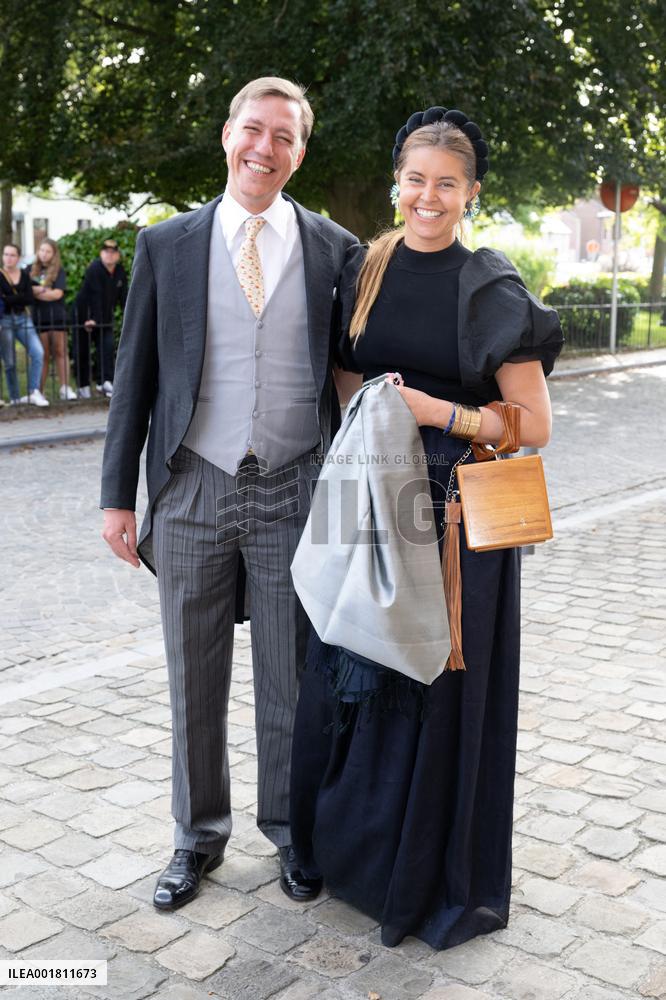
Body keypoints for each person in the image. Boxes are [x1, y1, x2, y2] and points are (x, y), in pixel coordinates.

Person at [290, 106, 564, 950]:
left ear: (471, 193)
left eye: (447, 183)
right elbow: (344, 371)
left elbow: (533, 424)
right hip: (364, 498)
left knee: (425, 688)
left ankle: (417, 880)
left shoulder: (491, 287)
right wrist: (369, 438)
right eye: (415, 180)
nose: (428, 196)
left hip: (446, 513)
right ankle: (340, 857)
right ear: (396, 185)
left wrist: (432, 412)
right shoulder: (363, 266)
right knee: (342, 662)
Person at [100, 77, 358, 911]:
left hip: (295, 490)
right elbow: (133, 378)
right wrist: (118, 497)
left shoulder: (334, 248)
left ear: (300, 151)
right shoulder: (166, 244)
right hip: (191, 490)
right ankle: (194, 838)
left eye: (284, 137)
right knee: (193, 676)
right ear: (227, 135)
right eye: (254, 130)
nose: (265, 148)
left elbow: (359, 368)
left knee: (291, 679)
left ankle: (291, 834)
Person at [73, 238, 128, 398]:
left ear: (117, 255)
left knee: (107, 347)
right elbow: (95, 296)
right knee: (82, 351)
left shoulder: (120, 271)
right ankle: (82, 386)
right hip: (84, 314)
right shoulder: (94, 269)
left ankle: (105, 382)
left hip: (104, 317)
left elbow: (124, 297)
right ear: (101, 254)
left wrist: (129, 317)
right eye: (106, 252)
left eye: (113, 252)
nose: (109, 255)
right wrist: (92, 319)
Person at [0, 243, 48, 406]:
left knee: (38, 352)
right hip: (5, 320)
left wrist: (10, 298)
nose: (8, 258)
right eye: (6, 254)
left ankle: (34, 390)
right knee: (10, 361)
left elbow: (29, 299)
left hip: (22, 318)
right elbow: (4, 301)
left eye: (12, 255)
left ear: (18, 258)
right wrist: (17, 297)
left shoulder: (24, 275)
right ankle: (14, 398)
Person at [30, 238, 76, 401]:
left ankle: (65, 387)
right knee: (43, 354)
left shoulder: (59, 271)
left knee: (60, 351)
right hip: (40, 318)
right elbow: (28, 292)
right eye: (42, 250)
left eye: (48, 251)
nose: (44, 254)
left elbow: (58, 294)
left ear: (54, 253)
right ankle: (38, 391)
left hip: (57, 316)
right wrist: (44, 290)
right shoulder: (30, 270)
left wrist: (38, 291)